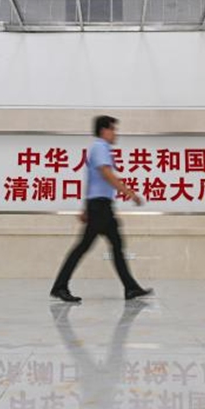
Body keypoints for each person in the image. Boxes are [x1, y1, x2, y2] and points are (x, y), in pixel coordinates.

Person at [50, 116, 153, 303]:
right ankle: (59, 287)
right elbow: (106, 174)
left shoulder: (100, 148)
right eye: (113, 129)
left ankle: (130, 288)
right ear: (104, 130)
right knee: (85, 246)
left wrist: (85, 207)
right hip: (99, 207)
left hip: (100, 206)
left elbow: (92, 180)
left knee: (115, 245)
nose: (115, 134)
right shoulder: (99, 147)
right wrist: (130, 193)